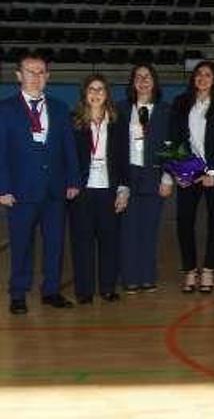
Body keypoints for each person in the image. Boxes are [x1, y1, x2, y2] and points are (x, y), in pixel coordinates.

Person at [0, 53, 79, 314]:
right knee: (21, 244)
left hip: (55, 190)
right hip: (20, 191)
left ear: (48, 76)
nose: (36, 77)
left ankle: (51, 290)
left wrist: (73, 180)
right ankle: (18, 293)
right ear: (19, 75)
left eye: (41, 72)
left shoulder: (58, 108)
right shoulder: (5, 109)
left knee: (55, 244)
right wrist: (3, 188)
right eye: (30, 72)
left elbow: (69, 148)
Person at [169, 61, 214, 292]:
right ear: (193, 78)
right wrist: (180, 170)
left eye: (207, 75)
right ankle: (189, 271)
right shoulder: (181, 103)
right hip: (189, 168)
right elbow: (174, 139)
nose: (202, 78)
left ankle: (208, 270)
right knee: (184, 221)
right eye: (199, 74)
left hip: (213, 172)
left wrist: (213, 172)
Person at [69, 74, 128, 305]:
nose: (96, 93)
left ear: (107, 94)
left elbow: (124, 157)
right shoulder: (73, 120)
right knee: (81, 241)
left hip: (109, 190)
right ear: (85, 93)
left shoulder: (117, 121)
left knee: (109, 241)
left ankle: (107, 287)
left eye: (100, 89)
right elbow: (66, 157)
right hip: (81, 190)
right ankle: (84, 290)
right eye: (91, 89)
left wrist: (123, 189)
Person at [119, 63, 172, 294]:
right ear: (132, 83)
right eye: (138, 77)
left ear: (154, 81)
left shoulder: (165, 111)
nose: (142, 81)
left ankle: (148, 276)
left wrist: (168, 178)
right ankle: (130, 278)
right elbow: (115, 147)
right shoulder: (120, 109)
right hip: (128, 174)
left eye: (147, 76)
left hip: (154, 175)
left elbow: (172, 147)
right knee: (129, 230)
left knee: (149, 230)